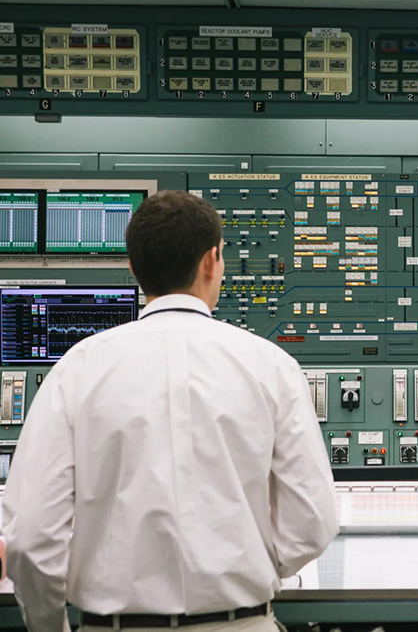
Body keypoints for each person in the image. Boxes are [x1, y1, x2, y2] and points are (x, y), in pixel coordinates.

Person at [2, 190, 338, 632]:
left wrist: (49, 625)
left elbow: (30, 539)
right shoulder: (271, 367)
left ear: (134, 269)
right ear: (211, 261)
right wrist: (243, 566)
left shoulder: (78, 368)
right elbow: (312, 523)